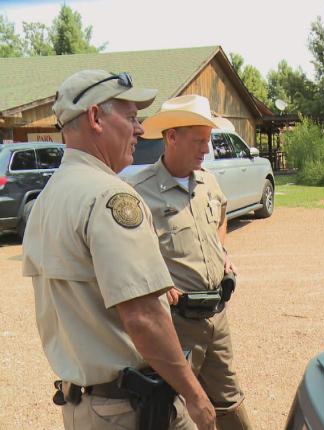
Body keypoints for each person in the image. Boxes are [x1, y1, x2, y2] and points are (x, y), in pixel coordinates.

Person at [22, 70, 215, 429]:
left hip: (84, 406)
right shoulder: (111, 196)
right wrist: (195, 395)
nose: (140, 129)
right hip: (130, 411)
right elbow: (143, 316)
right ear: (95, 118)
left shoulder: (48, 197)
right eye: (130, 118)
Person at [126, 95, 252, 429]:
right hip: (176, 326)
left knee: (229, 402)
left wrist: (222, 252)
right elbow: (127, 253)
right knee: (174, 410)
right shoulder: (137, 191)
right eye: (199, 141)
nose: (206, 150)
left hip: (217, 316)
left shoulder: (207, 182)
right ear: (171, 137)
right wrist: (159, 282)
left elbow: (221, 215)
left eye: (207, 141)